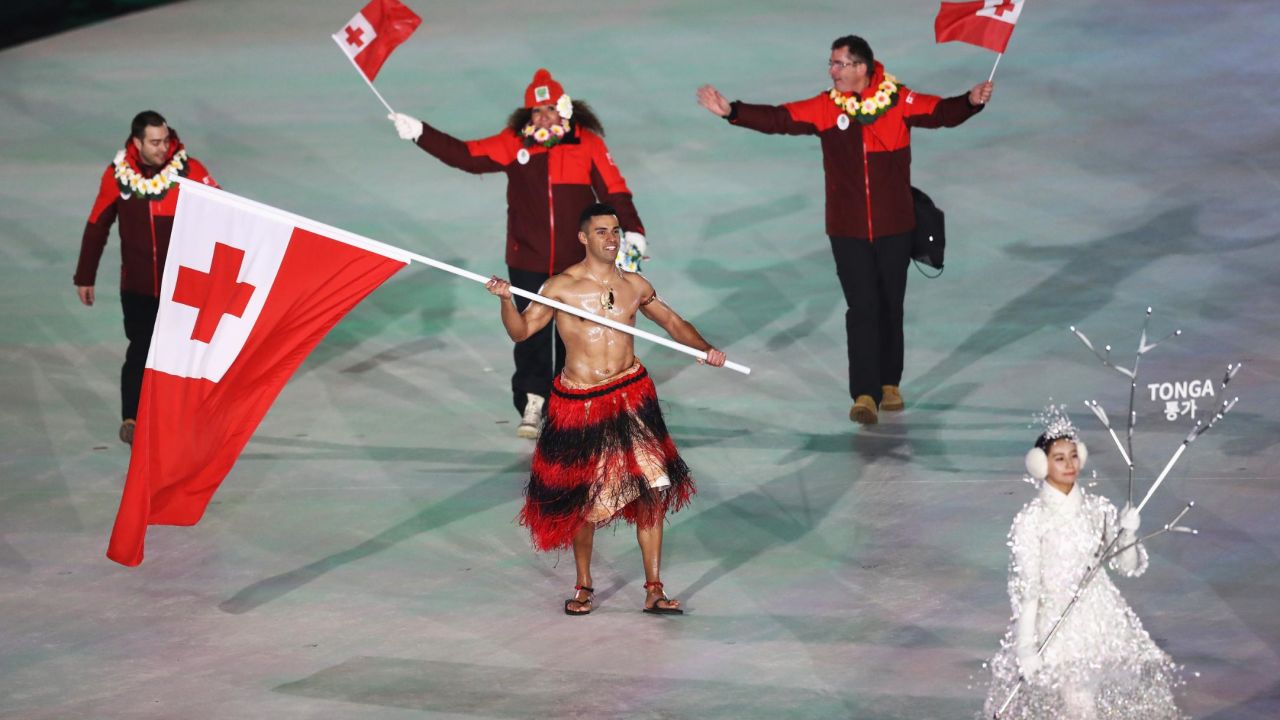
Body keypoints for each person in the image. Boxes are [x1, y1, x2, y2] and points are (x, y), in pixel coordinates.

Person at [697, 35, 992, 425]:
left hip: (895, 227)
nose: (832, 70)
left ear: (861, 68)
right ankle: (864, 394)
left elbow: (940, 112)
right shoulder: (825, 107)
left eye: (839, 64)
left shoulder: (897, 101)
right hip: (847, 230)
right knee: (862, 308)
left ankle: (890, 384)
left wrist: (969, 102)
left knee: (890, 305)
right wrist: (733, 111)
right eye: (832, 63)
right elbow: (780, 118)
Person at [484, 203, 727, 615]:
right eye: (601, 232)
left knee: (653, 489)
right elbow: (522, 331)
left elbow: (673, 323)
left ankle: (654, 587)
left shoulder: (635, 285)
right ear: (583, 238)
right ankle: (583, 586)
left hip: (632, 395)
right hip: (579, 402)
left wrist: (705, 350)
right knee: (584, 500)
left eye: (615, 231)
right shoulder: (560, 287)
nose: (611, 238)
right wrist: (507, 300)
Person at [391, 68, 648, 439]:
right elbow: (467, 156)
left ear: (564, 109)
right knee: (531, 336)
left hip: (575, 265)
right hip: (526, 259)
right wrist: (421, 133)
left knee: (575, 336)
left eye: (549, 109)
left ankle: (574, 408)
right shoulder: (515, 144)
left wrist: (634, 232)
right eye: (535, 112)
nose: (543, 117)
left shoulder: (587, 144)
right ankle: (533, 402)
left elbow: (615, 190)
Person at [981, 407, 1184, 719]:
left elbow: (1127, 566)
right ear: (1040, 463)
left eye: (1073, 455)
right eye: (1059, 457)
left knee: (1095, 702)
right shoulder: (1031, 520)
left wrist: (1128, 532)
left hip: (1101, 618)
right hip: (1057, 621)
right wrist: (1025, 645)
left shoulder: (1097, 509)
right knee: (1080, 704)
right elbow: (1028, 588)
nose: (1069, 464)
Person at [74, 110, 217, 444]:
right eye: (154, 142)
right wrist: (85, 275)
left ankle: (181, 419)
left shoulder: (190, 170)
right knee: (140, 350)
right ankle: (132, 419)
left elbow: (222, 212)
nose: (162, 148)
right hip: (136, 288)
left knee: (180, 353)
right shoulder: (117, 176)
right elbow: (97, 225)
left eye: (166, 140)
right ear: (137, 142)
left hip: (182, 287)